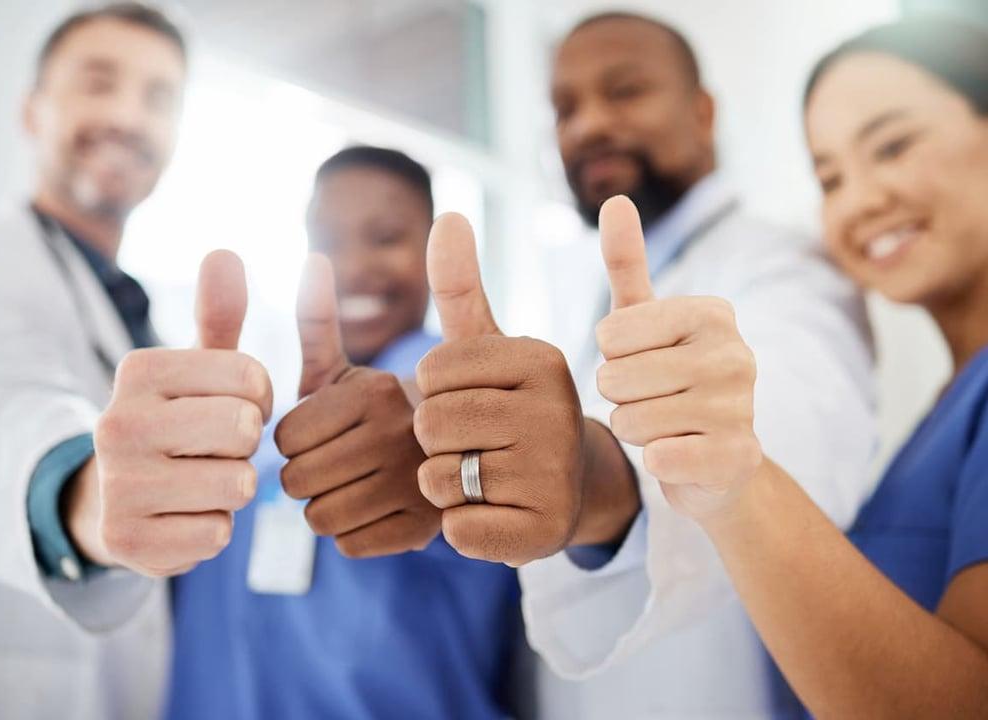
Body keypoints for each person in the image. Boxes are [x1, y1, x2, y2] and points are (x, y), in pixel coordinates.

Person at [409, 11, 880, 717]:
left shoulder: (783, 265)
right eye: (564, 108)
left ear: (702, 110)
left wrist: (592, 475)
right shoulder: (575, 291)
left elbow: (797, 434)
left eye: (624, 91)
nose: (588, 124)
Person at [591, 16, 988, 717]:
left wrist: (734, 484)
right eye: (829, 176)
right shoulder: (946, 410)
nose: (859, 201)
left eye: (892, 146)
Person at [0, 4, 272, 717]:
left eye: (158, 98)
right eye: (99, 83)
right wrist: (82, 489)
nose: (130, 118)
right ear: (32, 111)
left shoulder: (135, 313)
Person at [166, 146, 528, 719]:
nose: (355, 265)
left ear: (434, 250)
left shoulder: (470, 409)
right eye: (328, 241)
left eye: (385, 237)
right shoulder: (264, 423)